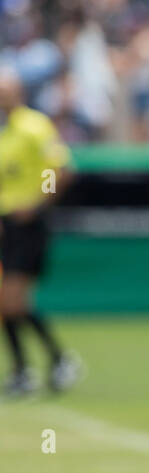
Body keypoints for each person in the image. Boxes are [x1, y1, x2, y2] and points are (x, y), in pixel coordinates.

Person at [0, 68, 79, 397]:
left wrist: (35, 204)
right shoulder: (3, 134)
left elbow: (61, 170)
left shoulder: (34, 126)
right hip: (7, 224)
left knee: (11, 298)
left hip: (28, 225)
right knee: (9, 301)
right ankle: (42, 364)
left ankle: (44, 364)